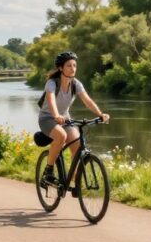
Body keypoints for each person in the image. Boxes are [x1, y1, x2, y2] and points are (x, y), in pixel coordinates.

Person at [38, 52, 109, 194]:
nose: (73, 68)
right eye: (69, 65)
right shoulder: (52, 83)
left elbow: (87, 100)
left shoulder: (76, 84)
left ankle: (75, 181)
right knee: (61, 136)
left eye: (75, 65)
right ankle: (49, 171)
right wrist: (56, 115)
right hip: (47, 118)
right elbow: (51, 99)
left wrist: (100, 114)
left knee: (77, 143)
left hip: (65, 118)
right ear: (60, 68)